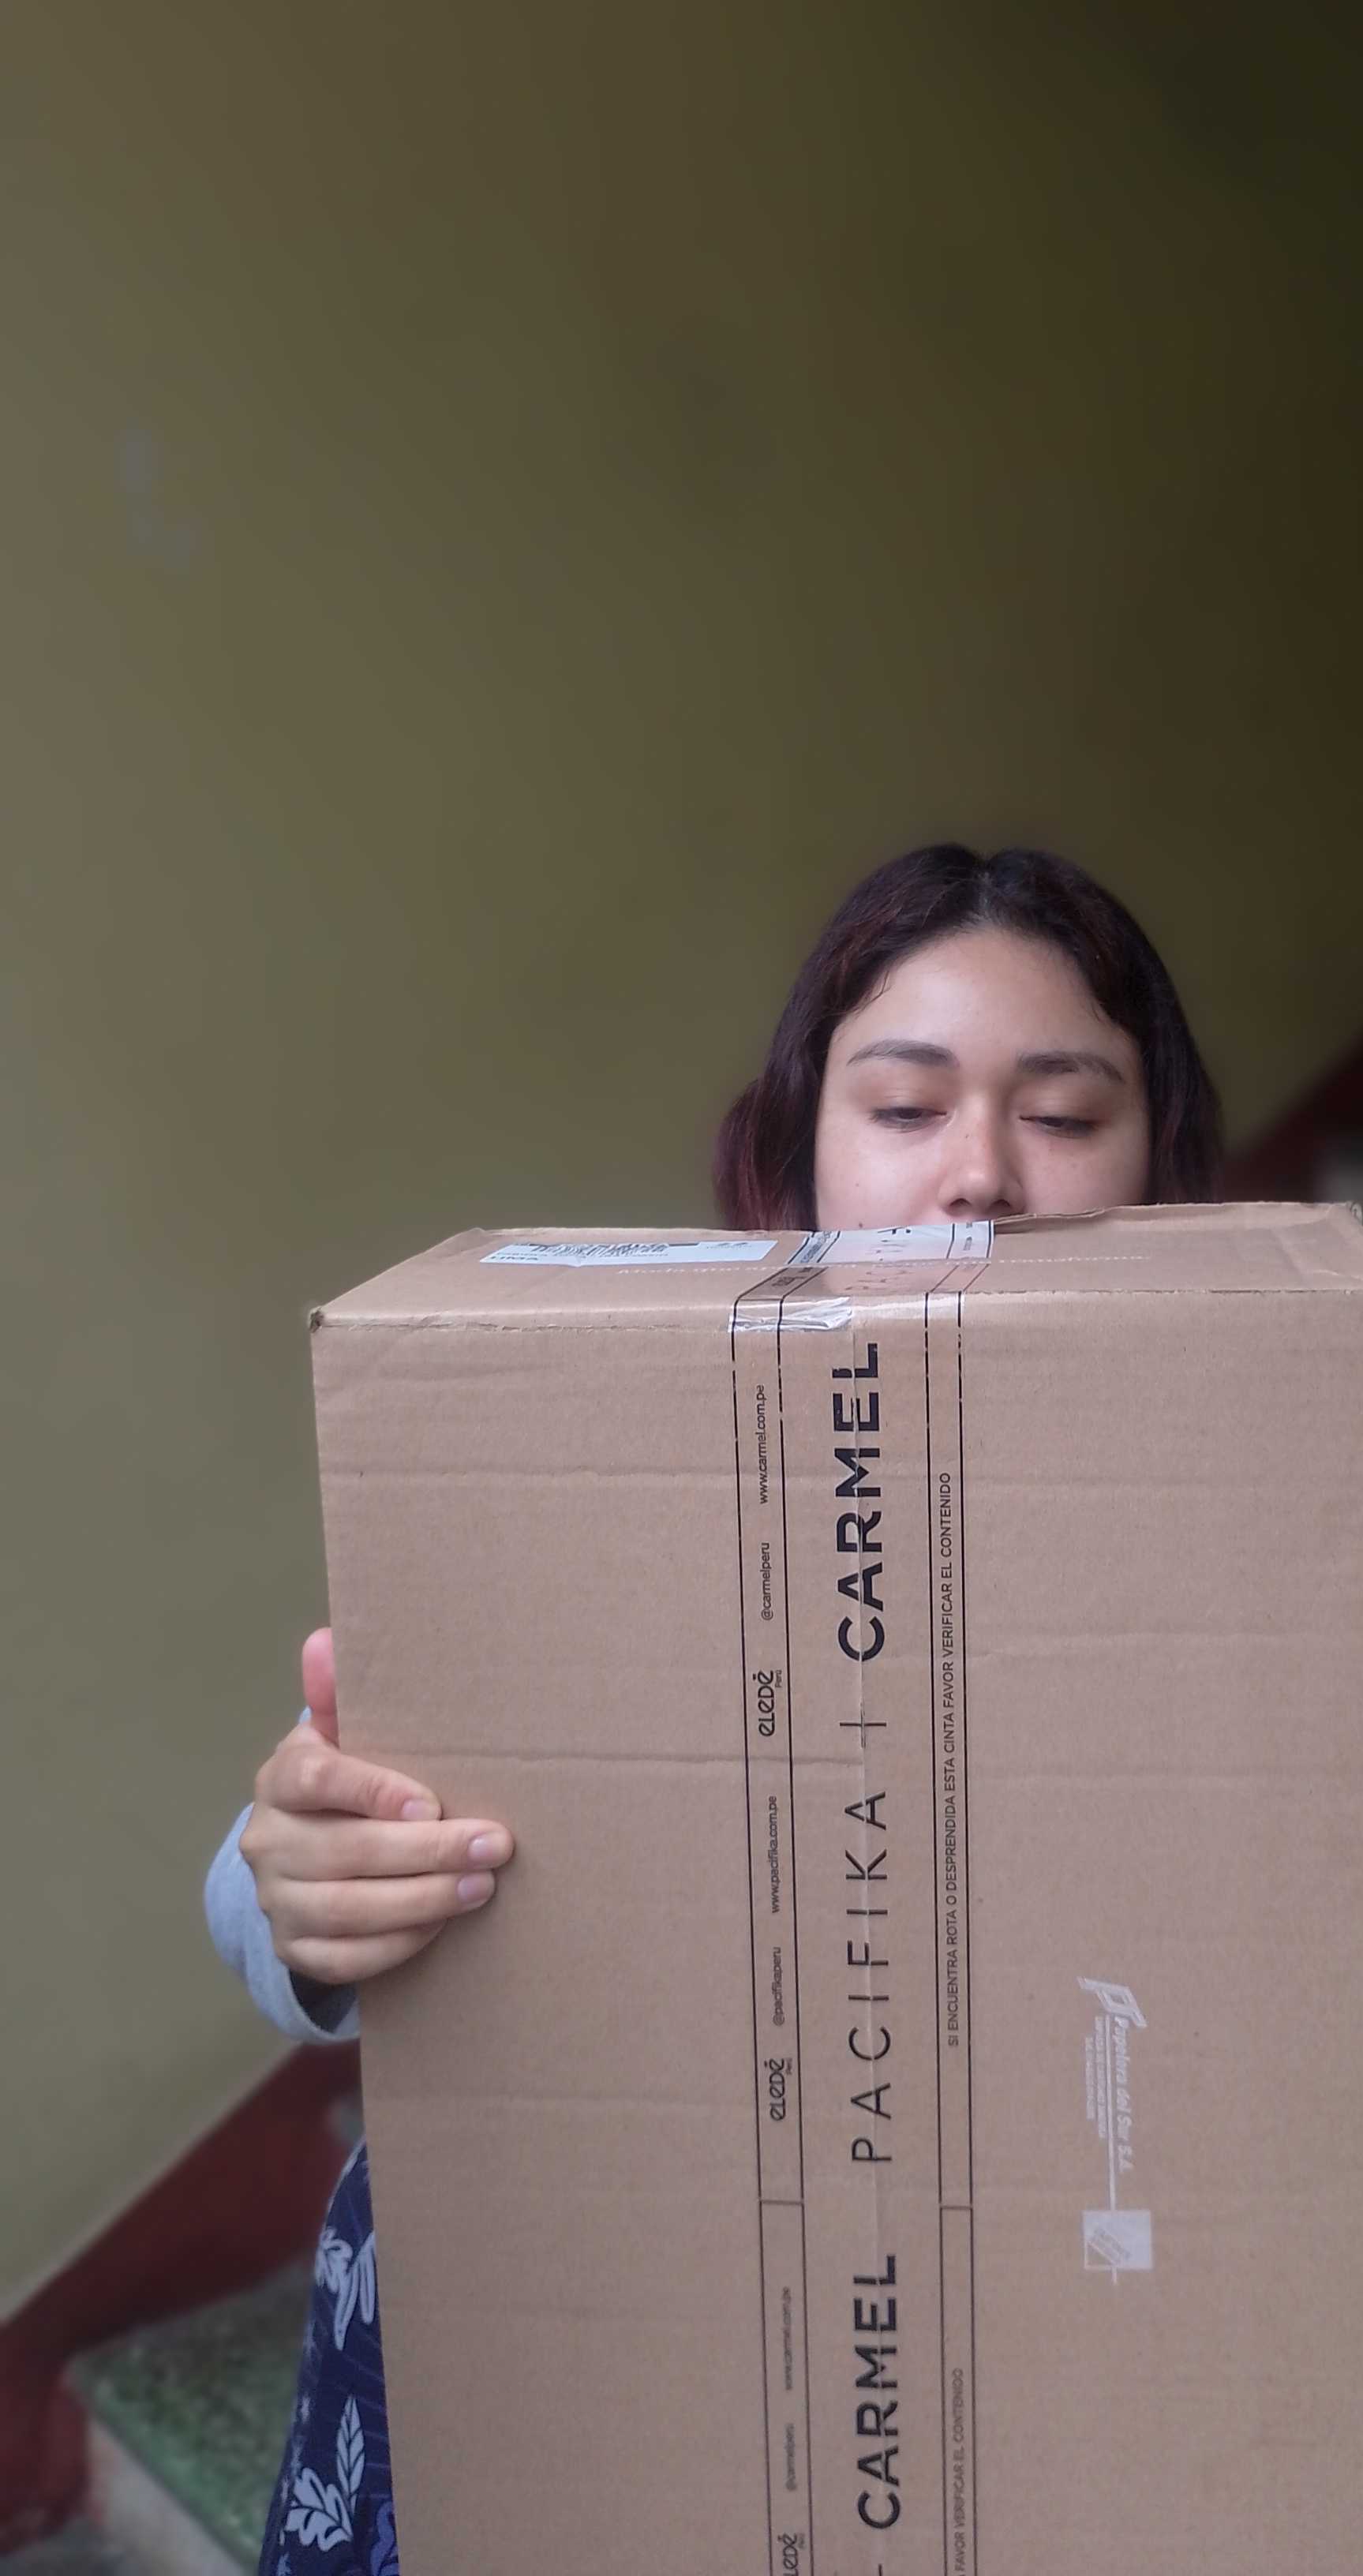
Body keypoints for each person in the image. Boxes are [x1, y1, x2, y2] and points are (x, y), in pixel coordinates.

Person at [206, 844, 1223, 2573]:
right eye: (905, 1107)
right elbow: (281, 1872)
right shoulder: (619, 1435)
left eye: (1064, 1112)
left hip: (975, 2362)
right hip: (562, 2354)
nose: (983, 1170)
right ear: (801, 1146)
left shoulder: (1227, 1519)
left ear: (1160, 1160)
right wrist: (304, 1882)